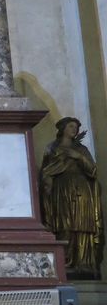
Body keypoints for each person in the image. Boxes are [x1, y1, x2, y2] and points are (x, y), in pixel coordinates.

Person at [40, 117, 104, 278]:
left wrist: (78, 156)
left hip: (82, 192)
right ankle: (65, 263)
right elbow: (46, 171)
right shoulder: (52, 148)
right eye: (70, 126)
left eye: (76, 127)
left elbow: (93, 171)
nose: (74, 129)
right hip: (61, 191)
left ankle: (84, 264)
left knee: (82, 226)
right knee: (64, 226)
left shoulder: (81, 149)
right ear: (62, 128)